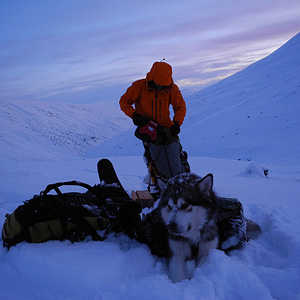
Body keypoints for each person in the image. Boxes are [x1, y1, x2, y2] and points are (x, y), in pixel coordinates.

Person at [119, 61, 189, 194]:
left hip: (168, 129)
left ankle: (180, 181)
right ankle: (160, 184)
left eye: (164, 85)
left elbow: (180, 106)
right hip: (148, 129)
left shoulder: (172, 89)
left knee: (174, 155)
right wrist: (134, 115)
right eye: (159, 84)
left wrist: (177, 123)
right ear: (152, 78)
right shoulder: (139, 87)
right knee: (156, 158)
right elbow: (124, 101)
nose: (161, 87)